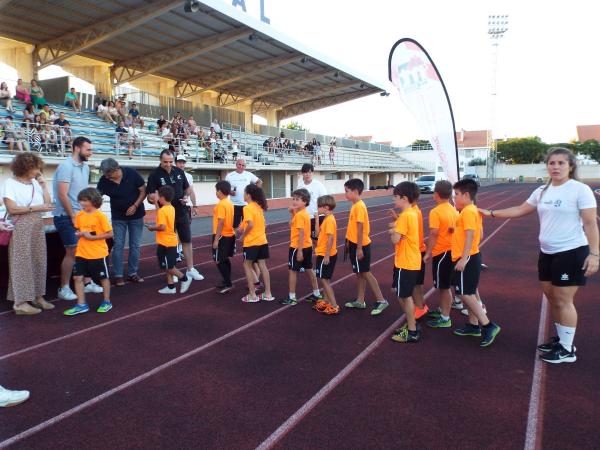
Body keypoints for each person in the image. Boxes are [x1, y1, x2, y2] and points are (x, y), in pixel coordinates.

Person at [480, 147, 598, 363]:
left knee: (563, 299)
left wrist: (595, 254)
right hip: (547, 252)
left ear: (571, 166)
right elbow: (520, 209)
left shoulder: (580, 190)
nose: (556, 167)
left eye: (561, 163)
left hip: (571, 251)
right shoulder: (542, 191)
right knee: (552, 296)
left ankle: (567, 349)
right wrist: (492, 213)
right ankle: (562, 340)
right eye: (552, 163)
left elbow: (590, 223)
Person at [2, 153, 55, 315]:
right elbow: (12, 209)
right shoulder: (9, 184)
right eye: (35, 168)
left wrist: (43, 184)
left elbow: (47, 202)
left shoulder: (35, 183)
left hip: (37, 224)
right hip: (21, 226)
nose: (38, 171)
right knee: (22, 263)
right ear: (25, 168)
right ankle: (20, 303)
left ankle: (38, 297)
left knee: (39, 260)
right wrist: (36, 208)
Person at [53, 136, 103, 301]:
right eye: (88, 149)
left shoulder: (85, 167)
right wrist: (73, 216)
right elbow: (62, 194)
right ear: (77, 148)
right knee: (72, 251)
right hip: (66, 217)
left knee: (85, 251)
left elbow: (83, 193)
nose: (91, 152)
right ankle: (64, 288)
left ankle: (87, 283)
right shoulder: (66, 167)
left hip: (81, 216)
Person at [451, 179, 501, 346]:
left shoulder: (468, 212)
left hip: (467, 258)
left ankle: (488, 325)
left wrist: (464, 258)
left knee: (466, 293)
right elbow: (479, 234)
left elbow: (472, 235)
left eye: (456, 195)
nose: (454, 198)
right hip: (469, 256)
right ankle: (473, 326)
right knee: (469, 292)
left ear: (466, 195)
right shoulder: (471, 210)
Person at [146, 150, 204, 282]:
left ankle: (190, 269)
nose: (168, 164)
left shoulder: (179, 172)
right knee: (169, 244)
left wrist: (185, 196)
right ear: (160, 160)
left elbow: (188, 189)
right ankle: (172, 272)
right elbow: (150, 196)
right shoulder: (154, 175)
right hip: (166, 215)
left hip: (182, 212)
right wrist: (152, 198)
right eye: (165, 162)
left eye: (170, 161)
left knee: (187, 240)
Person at [63, 188, 114, 316]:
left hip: (98, 253)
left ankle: (107, 301)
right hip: (81, 252)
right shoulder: (79, 215)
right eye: (80, 200)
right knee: (77, 277)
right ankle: (81, 304)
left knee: (103, 277)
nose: (82, 202)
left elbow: (110, 234)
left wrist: (92, 237)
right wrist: (80, 234)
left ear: (93, 200)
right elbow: (80, 231)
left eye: (85, 200)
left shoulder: (100, 216)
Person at [97, 159, 146, 287]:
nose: (106, 177)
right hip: (118, 217)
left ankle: (132, 273)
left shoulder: (131, 173)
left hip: (137, 216)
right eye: (105, 174)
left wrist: (135, 205)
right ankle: (118, 275)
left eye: (108, 174)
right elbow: (97, 197)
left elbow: (143, 190)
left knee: (134, 245)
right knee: (118, 245)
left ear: (116, 169)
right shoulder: (104, 180)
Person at [343, 178, 389, 315]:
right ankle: (360, 300)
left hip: (360, 245)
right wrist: (348, 242)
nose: (345, 194)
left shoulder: (359, 206)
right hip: (354, 244)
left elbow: (360, 228)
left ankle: (382, 300)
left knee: (365, 272)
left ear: (355, 191)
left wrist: (358, 248)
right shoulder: (355, 205)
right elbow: (352, 227)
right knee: (360, 273)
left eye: (346, 191)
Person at [389, 182, 422, 343]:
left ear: (404, 198)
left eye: (395, 196)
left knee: (405, 296)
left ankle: (412, 330)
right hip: (410, 260)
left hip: (406, 262)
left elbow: (395, 239)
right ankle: (412, 324)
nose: (393, 199)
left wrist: (393, 229)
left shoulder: (406, 216)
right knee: (402, 295)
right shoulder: (411, 214)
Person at [423, 180, 459, 328]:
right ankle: (443, 310)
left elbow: (434, 233)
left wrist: (428, 252)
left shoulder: (436, 211)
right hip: (452, 250)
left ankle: (445, 318)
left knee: (443, 287)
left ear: (436, 194)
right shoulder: (453, 209)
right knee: (445, 285)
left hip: (442, 252)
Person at [146, 185, 193, 294]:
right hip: (169, 242)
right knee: (167, 266)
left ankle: (184, 278)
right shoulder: (170, 207)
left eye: (158, 196)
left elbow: (162, 227)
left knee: (169, 267)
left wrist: (152, 228)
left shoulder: (164, 211)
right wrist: (156, 203)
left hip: (166, 243)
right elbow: (160, 213)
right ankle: (170, 286)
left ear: (162, 198)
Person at [280, 189, 322, 306]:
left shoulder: (300, 215)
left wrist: (299, 251)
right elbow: (292, 224)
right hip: (307, 246)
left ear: (305, 202)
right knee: (309, 269)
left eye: (297, 199)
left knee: (293, 271)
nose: (294, 201)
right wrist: (292, 213)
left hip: (297, 247)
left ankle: (292, 297)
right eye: (293, 198)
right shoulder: (303, 214)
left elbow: (301, 233)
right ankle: (317, 293)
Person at [237, 184, 273, 303]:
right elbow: (261, 223)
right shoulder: (258, 207)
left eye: (244, 193)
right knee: (263, 266)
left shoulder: (247, 208)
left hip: (251, 242)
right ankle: (268, 293)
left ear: (248, 195)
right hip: (262, 241)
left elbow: (251, 224)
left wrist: (242, 236)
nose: (243, 195)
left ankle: (252, 295)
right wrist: (241, 227)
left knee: (247, 266)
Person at [312, 195, 340, 315]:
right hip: (322, 253)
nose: (317, 208)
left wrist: (327, 256)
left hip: (326, 254)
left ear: (326, 207)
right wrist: (317, 219)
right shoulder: (326, 219)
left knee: (324, 280)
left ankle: (334, 305)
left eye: (319, 206)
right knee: (324, 278)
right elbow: (317, 235)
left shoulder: (330, 220)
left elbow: (330, 239)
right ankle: (325, 301)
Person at [212, 180, 235, 294]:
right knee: (225, 259)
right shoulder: (229, 202)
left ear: (220, 191)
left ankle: (228, 283)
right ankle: (226, 280)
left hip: (222, 235)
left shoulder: (221, 204)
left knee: (218, 260)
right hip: (229, 234)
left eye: (216, 191)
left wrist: (216, 239)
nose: (216, 193)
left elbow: (221, 222)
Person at [226, 158, 263, 229]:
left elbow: (259, 182)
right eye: (239, 164)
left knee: (247, 225)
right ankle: (233, 240)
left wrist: (255, 192)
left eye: (243, 165)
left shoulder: (249, 174)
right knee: (234, 226)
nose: (241, 166)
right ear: (236, 165)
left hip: (247, 205)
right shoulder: (229, 175)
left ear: (245, 166)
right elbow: (225, 188)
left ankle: (245, 239)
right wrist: (230, 192)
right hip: (234, 205)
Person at [296, 163, 327, 239]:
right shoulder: (300, 186)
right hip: (305, 217)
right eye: (305, 172)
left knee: (317, 240)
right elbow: (298, 202)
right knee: (307, 240)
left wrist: (324, 214)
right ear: (302, 173)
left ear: (313, 173)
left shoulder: (319, 185)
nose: (307, 174)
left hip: (317, 217)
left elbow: (325, 200)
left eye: (310, 172)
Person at [175, 154, 197, 261]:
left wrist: (195, 205)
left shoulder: (189, 176)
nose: (181, 164)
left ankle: (179, 250)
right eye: (179, 162)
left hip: (186, 207)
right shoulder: (171, 174)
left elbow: (191, 191)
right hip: (174, 207)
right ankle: (176, 251)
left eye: (183, 162)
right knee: (174, 231)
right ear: (176, 163)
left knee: (184, 231)